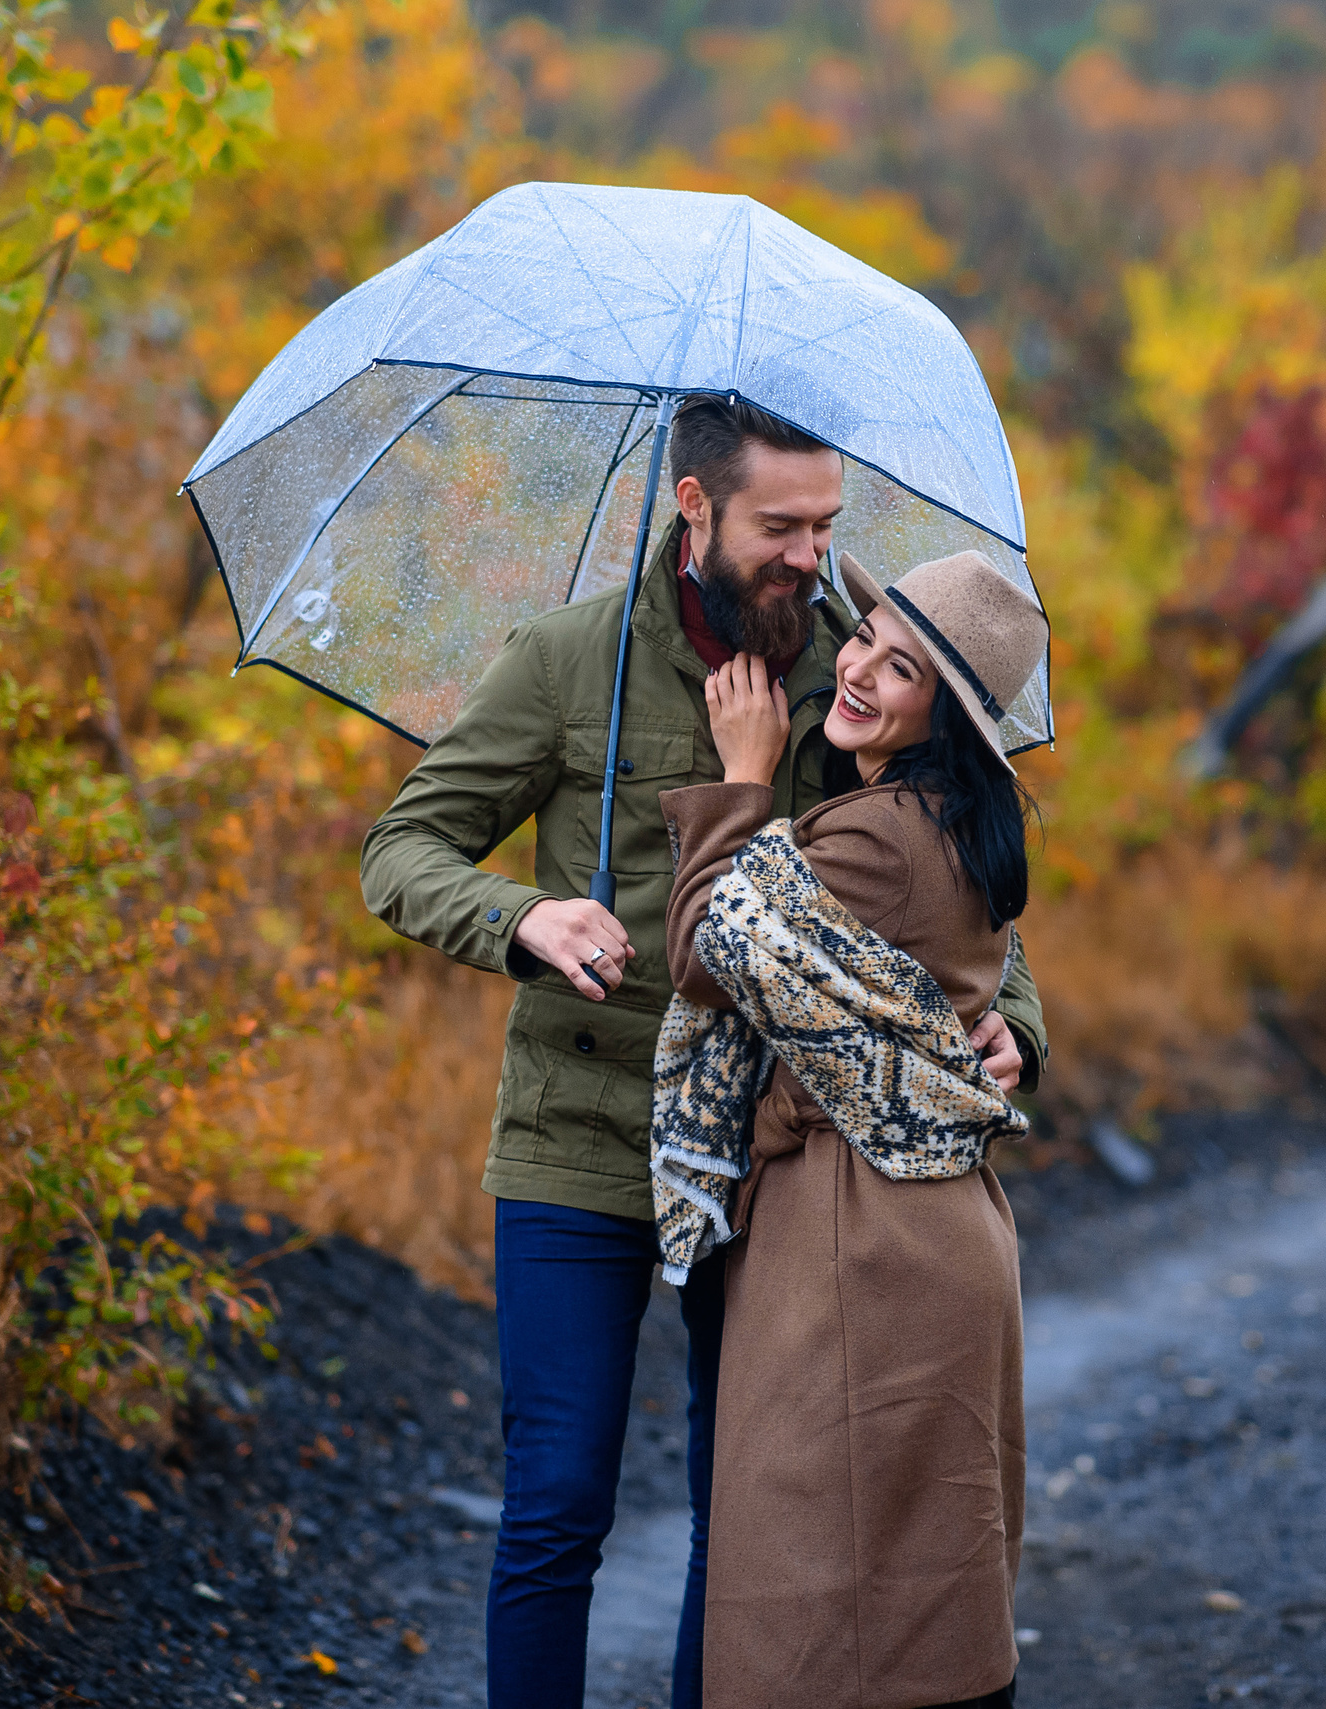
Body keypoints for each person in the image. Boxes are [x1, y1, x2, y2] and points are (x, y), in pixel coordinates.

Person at [358, 398, 1049, 1709]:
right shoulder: (570, 661)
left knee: (747, 1507)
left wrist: (1012, 1024)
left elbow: (961, 884)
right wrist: (521, 917)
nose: (809, 555)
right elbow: (401, 851)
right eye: (782, 526)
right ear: (694, 508)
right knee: (557, 1505)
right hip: (578, 1137)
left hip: (766, 1171)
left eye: (827, 526)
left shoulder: (861, 674)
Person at [655, 548, 1047, 1709]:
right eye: (867, 633)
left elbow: (708, 949)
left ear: (947, 721)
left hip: (858, 1240)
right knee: (922, 1586)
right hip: (923, 1230)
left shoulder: (877, 837)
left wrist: (741, 773)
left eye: (904, 668)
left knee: (820, 1601)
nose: (862, 668)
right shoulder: (944, 824)